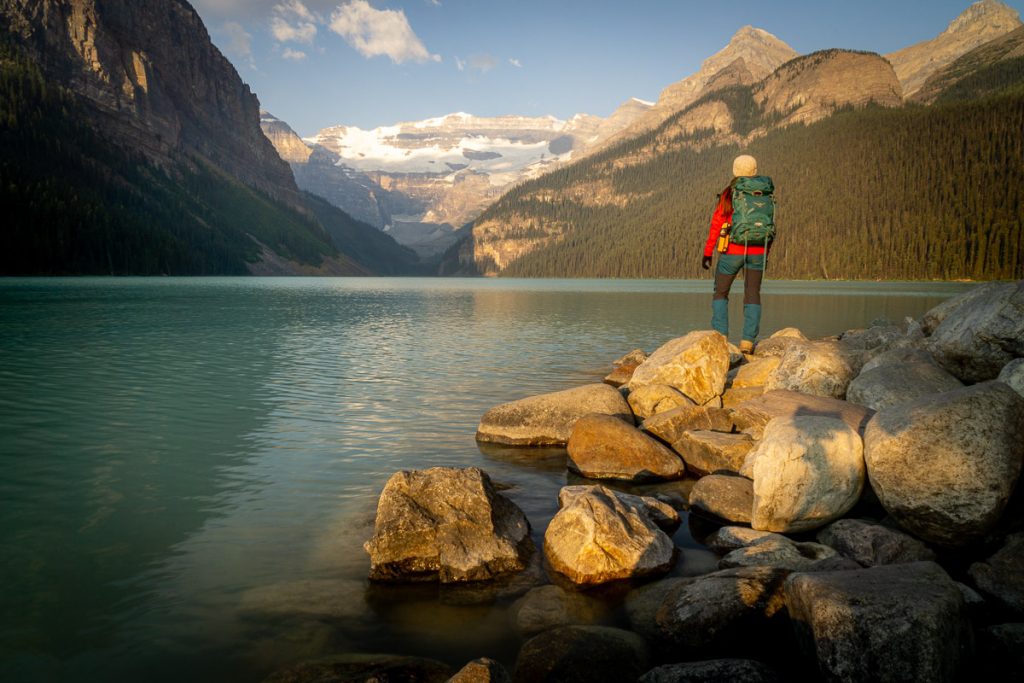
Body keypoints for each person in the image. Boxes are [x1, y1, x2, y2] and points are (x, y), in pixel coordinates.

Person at [701, 154, 771, 353]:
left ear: (734, 170)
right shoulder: (765, 194)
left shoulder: (729, 193)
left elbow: (716, 224)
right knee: (752, 294)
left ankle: (721, 338)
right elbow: (769, 226)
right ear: (755, 171)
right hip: (758, 250)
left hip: (732, 251)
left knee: (721, 292)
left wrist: (708, 252)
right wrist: (766, 252)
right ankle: (747, 342)